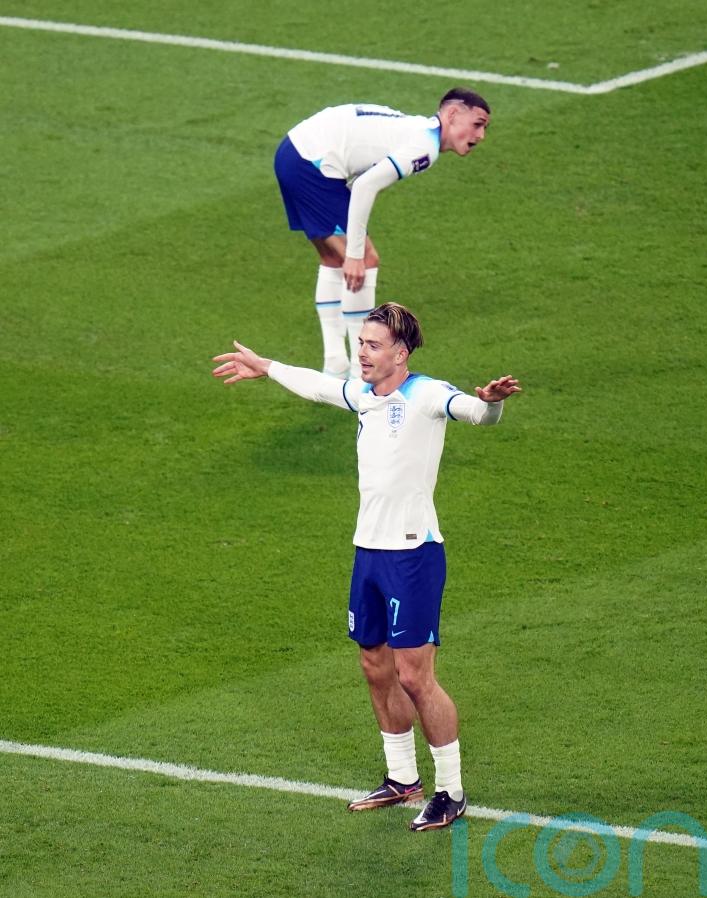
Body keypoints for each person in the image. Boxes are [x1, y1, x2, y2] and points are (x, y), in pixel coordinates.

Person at [212, 302, 520, 831]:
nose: (362, 354)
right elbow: (318, 386)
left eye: (373, 346)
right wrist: (267, 367)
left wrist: (489, 403)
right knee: (375, 667)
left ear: (401, 354)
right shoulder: (362, 396)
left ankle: (451, 790)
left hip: (414, 555)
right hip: (368, 552)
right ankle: (403, 779)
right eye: (360, 344)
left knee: (415, 676)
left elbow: (474, 412)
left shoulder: (425, 394)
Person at [273, 89, 491, 379]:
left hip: (295, 151)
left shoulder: (417, 130)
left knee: (331, 257)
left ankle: (335, 364)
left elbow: (360, 181)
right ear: (452, 115)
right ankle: (354, 374)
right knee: (364, 260)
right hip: (312, 164)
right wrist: (354, 254)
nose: (481, 135)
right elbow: (365, 186)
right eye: (477, 124)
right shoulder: (425, 145)